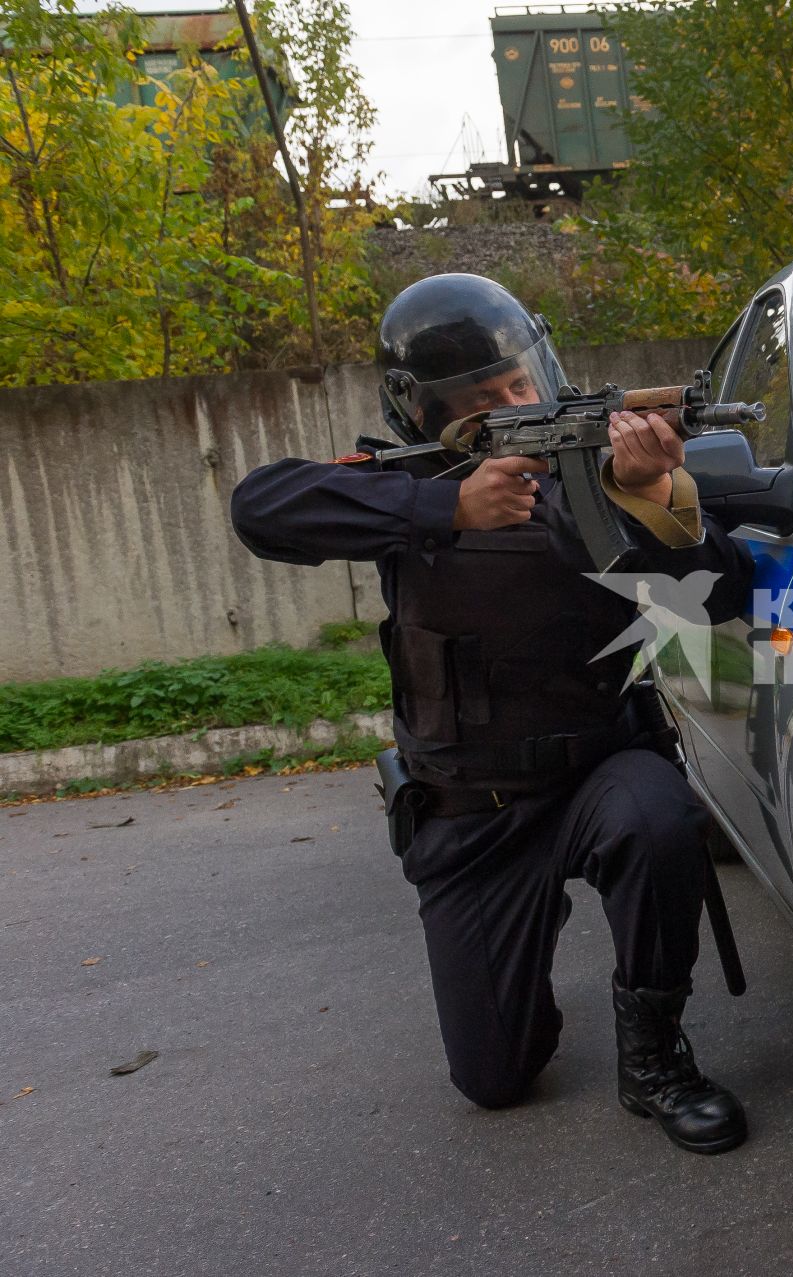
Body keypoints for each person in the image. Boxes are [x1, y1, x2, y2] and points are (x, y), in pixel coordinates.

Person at [230, 273, 755, 1154]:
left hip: (598, 776)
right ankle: (523, 924)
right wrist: (447, 504)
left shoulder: (590, 479)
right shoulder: (409, 490)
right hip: (472, 814)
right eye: (480, 400)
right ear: (423, 414)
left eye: (518, 385)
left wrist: (651, 496)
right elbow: (260, 504)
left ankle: (656, 1054)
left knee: (659, 815)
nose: (510, 404)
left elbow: (712, 602)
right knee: (496, 1079)